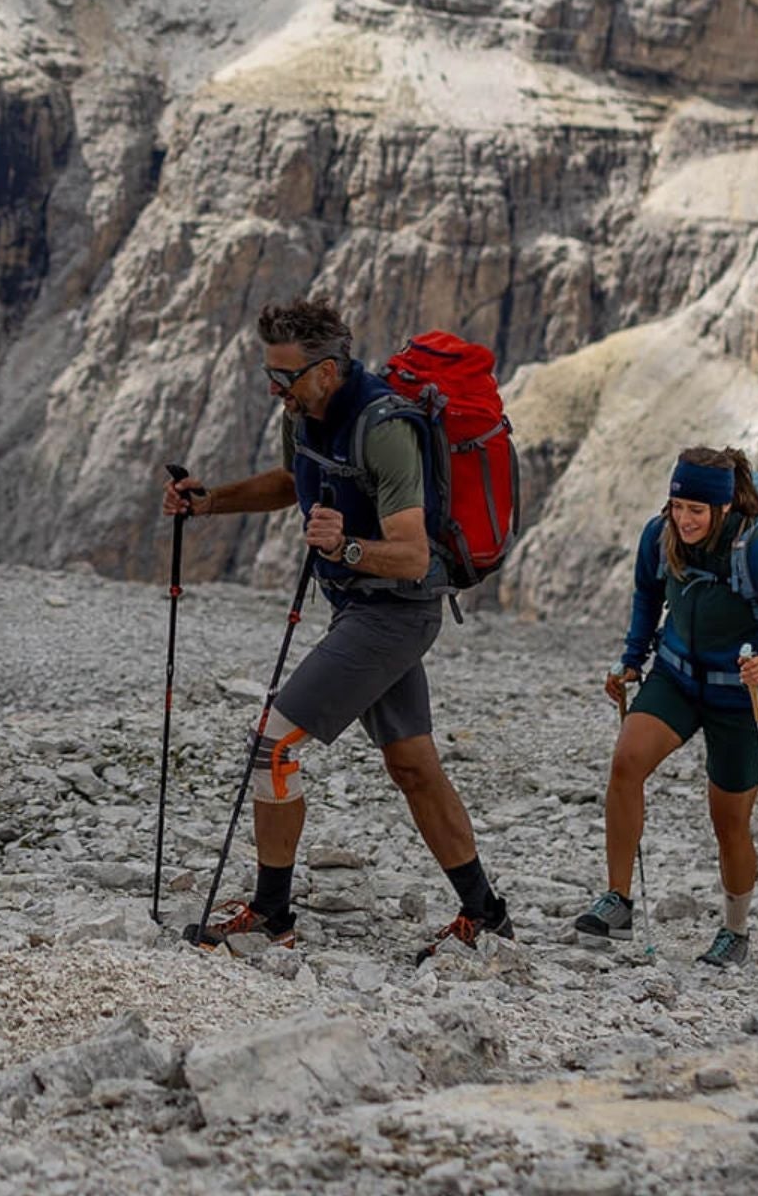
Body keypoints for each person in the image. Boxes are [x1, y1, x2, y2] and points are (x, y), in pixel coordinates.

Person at [161, 297, 513, 963]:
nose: (274, 388)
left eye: (284, 376)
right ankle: (486, 914)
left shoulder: (381, 428)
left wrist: (346, 548)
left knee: (271, 747)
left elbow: (411, 554)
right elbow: (292, 482)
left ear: (326, 370)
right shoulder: (307, 414)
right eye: (269, 373)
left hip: (397, 610)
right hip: (360, 607)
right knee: (412, 765)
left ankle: (271, 914)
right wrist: (210, 503)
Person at [571, 448, 758, 968]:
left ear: (722, 509)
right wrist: (632, 660)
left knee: (729, 821)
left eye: (696, 510)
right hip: (676, 678)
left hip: (740, 694)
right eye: (677, 505)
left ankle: (736, 930)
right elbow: (647, 594)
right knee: (626, 763)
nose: (683, 519)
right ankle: (618, 899)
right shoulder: (659, 535)